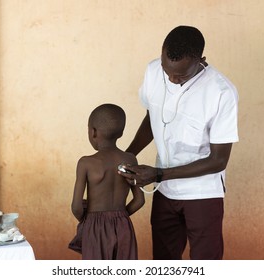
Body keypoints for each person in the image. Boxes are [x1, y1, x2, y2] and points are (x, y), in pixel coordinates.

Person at [118, 26, 239, 260]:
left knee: (205, 264)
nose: (172, 79)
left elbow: (218, 161)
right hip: (165, 192)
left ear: (200, 61)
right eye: (167, 71)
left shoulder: (221, 92)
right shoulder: (153, 71)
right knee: (164, 261)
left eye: (181, 75)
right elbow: (151, 117)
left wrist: (160, 174)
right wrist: (128, 155)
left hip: (202, 194)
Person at [71, 103, 145, 260]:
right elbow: (139, 200)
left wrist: (89, 220)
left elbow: (76, 207)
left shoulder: (86, 163)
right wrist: (121, 215)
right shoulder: (130, 159)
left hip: (94, 227)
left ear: (93, 132)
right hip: (123, 225)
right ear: (122, 132)